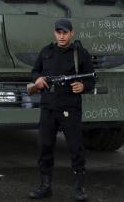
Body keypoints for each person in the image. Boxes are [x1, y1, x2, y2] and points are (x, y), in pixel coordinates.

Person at [28, 18, 95, 200]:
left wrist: (83, 86)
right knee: (44, 146)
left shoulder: (80, 54)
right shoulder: (46, 51)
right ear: (54, 33)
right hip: (48, 105)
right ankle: (45, 186)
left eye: (65, 32)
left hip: (70, 107)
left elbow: (91, 79)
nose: (62, 36)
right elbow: (34, 71)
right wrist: (37, 80)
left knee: (75, 147)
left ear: (72, 33)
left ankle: (80, 188)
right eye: (59, 32)